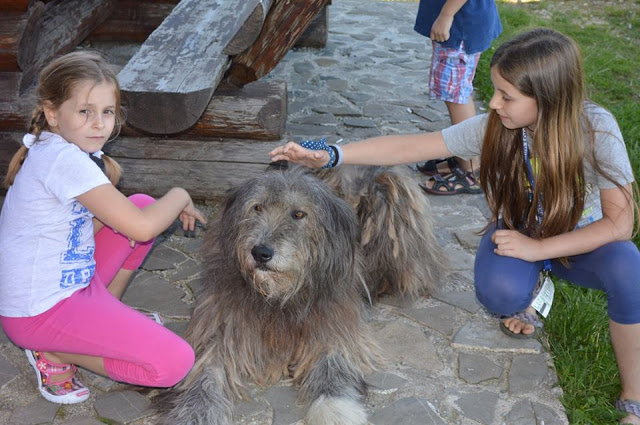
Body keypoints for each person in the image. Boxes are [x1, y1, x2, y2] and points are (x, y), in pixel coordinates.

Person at [270, 28, 640, 424]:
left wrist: (538, 252)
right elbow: (410, 147)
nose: (494, 103)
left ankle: (633, 396)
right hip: (522, 234)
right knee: (499, 294)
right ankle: (533, 287)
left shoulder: (596, 129)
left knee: (628, 267)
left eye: (507, 96)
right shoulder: (495, 126)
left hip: (581, 238)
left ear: (548, 97)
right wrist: (331, 154)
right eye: (496, 91)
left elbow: (621, 222)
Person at [0, 51, 207, 405]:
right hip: (39, 315)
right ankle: (56, 353)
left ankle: (108, 309)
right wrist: (179, 194)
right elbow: (141, 230)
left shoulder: (63, 148)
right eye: (85, 111)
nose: (99, 123)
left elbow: (105, 221)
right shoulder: (63, 160)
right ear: (53, 113)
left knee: (139, 204)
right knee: (175, 363)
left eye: (107, 112)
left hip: (66, 285)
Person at [414, 0, 501, 195]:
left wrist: (446, 15)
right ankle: (462, 155)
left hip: (459, 25)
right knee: (454, 92)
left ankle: (471, 168)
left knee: (457, 95)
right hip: (459, 22)